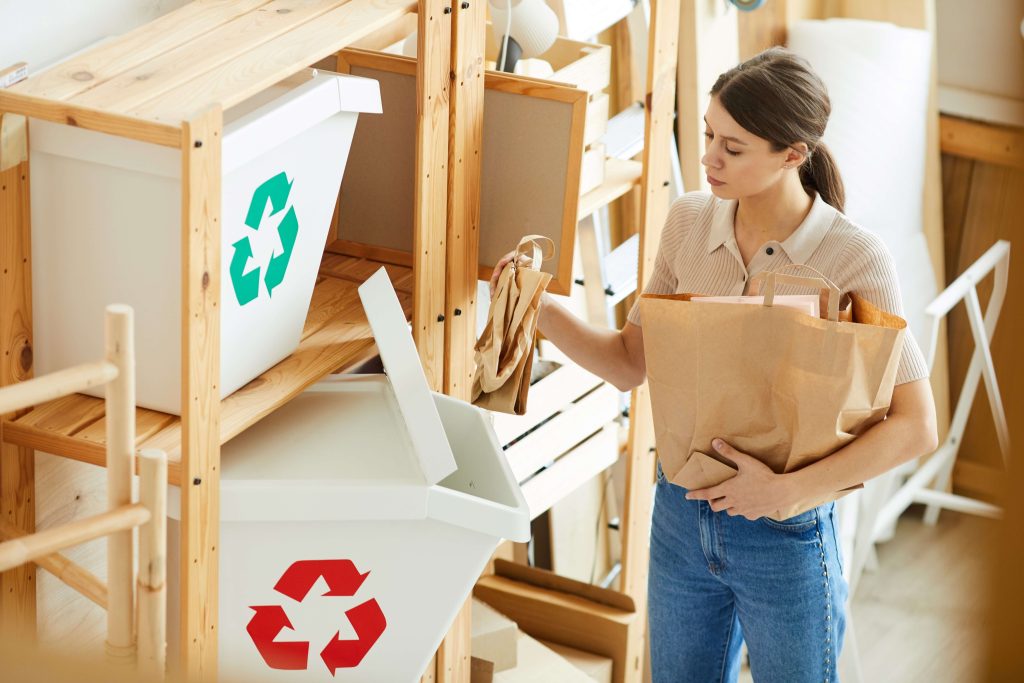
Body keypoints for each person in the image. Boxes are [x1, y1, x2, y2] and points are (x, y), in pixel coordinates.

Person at [488, 47, 938, 682]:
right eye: (707, 135)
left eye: (733, 146)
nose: (708, 158)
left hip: (786, 535)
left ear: (793, 154)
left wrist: (785, 492)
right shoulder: (687, 225)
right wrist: (544, 307)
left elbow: (917, 424)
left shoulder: (854, 259)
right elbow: (629, 364)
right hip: (679, 518)